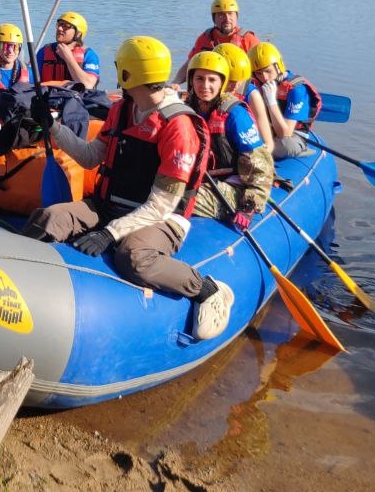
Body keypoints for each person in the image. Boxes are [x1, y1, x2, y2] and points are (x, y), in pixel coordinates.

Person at [24, 37, 233, 341]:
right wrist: (54, 127)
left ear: (129, 74)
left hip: (161, 220)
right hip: (109, 204)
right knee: (49, 218)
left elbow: (162, 205)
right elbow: (90, 156)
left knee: (133, 257)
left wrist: (109, 233)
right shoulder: (122, 110)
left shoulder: (179, 128)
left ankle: (206, 289)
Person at [182, 51, 274, 229]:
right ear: (191, 80)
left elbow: (261, 167)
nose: (205, 86)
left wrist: (249, 205)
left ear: (222, 83)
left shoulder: (235, 114)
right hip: (197, 179)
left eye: (212, 80)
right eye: (199, 79)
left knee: (177, 194)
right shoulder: (186, 109)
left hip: (230, 189)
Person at [248, 42, 321, 159]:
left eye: (268, 71)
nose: (264, 78)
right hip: (268, 130)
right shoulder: (256, 84)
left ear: (278, 66)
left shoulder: (297, 90)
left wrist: (271, 101)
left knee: (286, 145)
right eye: (258, 73)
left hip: (292, 136)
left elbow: (284, 133)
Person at [174, 0, 260, 86]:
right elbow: (190, 64)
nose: (227, 19)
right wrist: (175, 82)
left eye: (230, 14)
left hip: (240, 88)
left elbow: (262, 70)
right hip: (212, 87)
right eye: (221, 14)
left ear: (236, 16)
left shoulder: (249, 39)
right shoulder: (205, 38)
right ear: (214, 18)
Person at [213, 41, 274, 149]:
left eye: (239, 80)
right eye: (231, 81)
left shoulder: (252, 95)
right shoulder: (204, 93)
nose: (236, 85)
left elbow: (268, 144)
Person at [36, 11, 100, 88]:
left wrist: (68, 58)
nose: (59, 28)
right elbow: (32, 81)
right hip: (47, 97)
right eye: (59, 25)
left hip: (77, 98)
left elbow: (88, 85)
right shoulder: (44, 51)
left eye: (66, 26)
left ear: (78, 34)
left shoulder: (89, 55)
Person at [0, 23, 30, 90]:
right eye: (5, 46)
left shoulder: (28, 72)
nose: (10, 51)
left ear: (19, 49)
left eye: (15, 47)